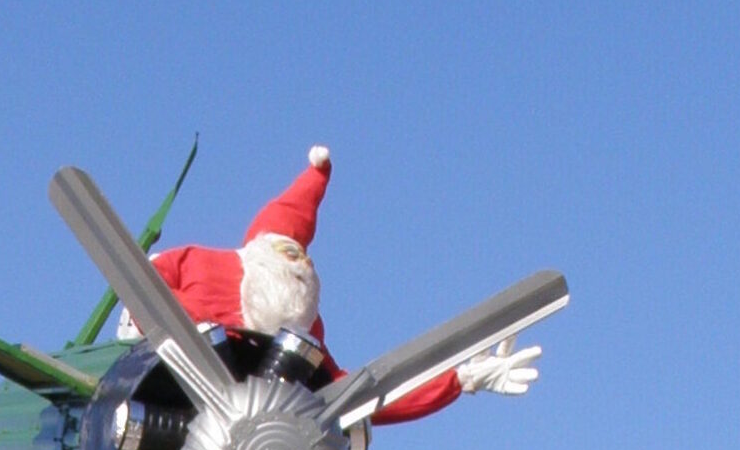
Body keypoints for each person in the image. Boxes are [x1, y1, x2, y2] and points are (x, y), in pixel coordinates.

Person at [119, 147, 542, 422]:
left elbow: (355, 397)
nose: (302, 263)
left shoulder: (301, 348)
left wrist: (459, 379)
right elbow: (146, 285)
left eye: (304, 259)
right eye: (291, 254)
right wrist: (160, 328)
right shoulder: (204, 267)